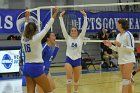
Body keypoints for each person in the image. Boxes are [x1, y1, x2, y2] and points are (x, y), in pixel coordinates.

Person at [21, 7, 58, 93]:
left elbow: (26, 26)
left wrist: (27, 17)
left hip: (26, 67)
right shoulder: (36, 38)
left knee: (30, 91)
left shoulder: (23, 38)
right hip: (36, 67)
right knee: (49, 90)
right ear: (35, 30)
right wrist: (55, 13)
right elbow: (47, 26)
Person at [103, 19, 135, 93]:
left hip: (128, 60)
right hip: (121, 60)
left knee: (125, 81)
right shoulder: (118, 35)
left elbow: (131, 49)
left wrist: (121, 45)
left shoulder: (128, 34)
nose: (116, 25)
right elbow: (118, 49)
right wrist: (110, 46)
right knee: (127, 81)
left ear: (120, 24)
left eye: (117, 23)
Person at [59, 10, 88, 93]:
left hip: (78, 60)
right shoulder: (68, 38)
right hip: (69, 60)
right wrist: (60, 17)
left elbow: (84, 27)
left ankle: (75, 91)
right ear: (70, 32)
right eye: (72, 31)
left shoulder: (80, 38)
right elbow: (63, 28)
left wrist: (85, 16)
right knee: (69, 79)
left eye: (75, 31)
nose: (73, 32)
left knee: (76, 80)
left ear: (77, 32)